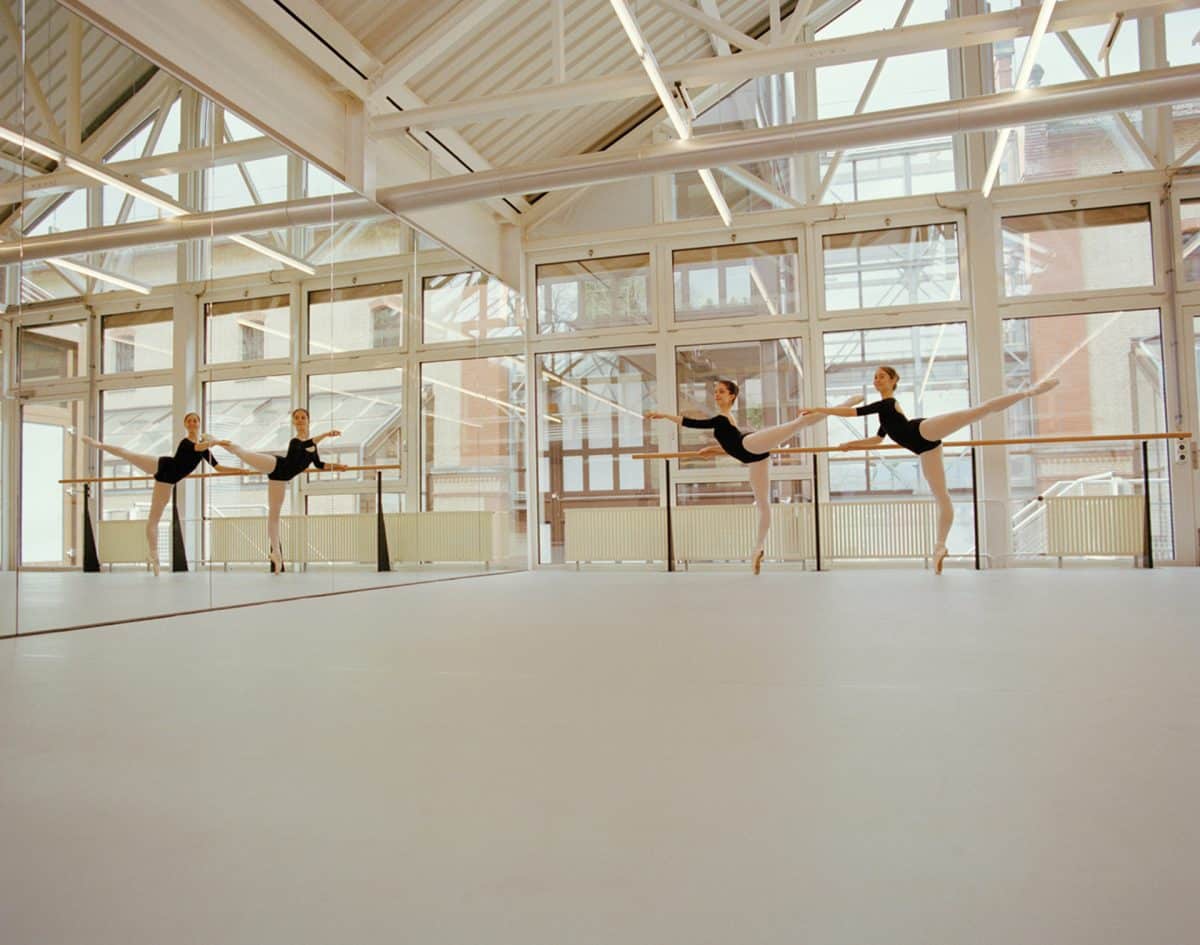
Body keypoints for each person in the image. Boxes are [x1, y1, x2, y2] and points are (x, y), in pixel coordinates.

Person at [803, 365, 1060, 574]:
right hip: (926, 450)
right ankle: (940, 547)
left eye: (881, 376)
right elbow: (878, 440)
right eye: (875, 377)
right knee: (942, 497)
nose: (876, 380)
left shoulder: (887, 404)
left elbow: (852, 412)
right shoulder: (885, 413)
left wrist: (818, 409)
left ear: (893, 381)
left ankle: (1030, 392)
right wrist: (851, 445)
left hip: (923, 431)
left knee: (976, 412)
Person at [647, 380, 862, 574]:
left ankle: (846, 404)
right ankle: (758, 549)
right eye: (715, 391)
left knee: (798, 423)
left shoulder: (721, 419)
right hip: (754, 458)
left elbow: (692, 423)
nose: (716, 395)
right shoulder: (727, 419)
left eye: (721, 391)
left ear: (732, 396)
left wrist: (665, 415)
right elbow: (731, 444)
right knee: (763, 505)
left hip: (750, 445)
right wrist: (715, 449)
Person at [82, 412, 225, 575]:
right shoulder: (186, 442)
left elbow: (218, 467)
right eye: (189, 421)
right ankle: (97, 444)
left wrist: (243, 470)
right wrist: (216, 442)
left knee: (153, 520)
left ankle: (154, 557)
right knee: (128, 454)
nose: (192, 423)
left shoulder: (205, 449)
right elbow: (197, 447)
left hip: (167, 482)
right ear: (185, 425)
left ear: (199, 423)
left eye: (195, 421)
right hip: (161, 465)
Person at [217, 408, 348, 573]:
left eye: (303, 417)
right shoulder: (295, 442)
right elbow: (306, 444)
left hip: (280, 479)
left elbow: (319, 465)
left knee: (274, 517)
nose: (300, 420)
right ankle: (215, 441)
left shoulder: (313, 447)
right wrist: (326, 434)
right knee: (243, 453)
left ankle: (277, 555)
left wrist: (338, 467)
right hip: (275, 465)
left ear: (308, 420)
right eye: (297, 418)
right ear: (293, 422)